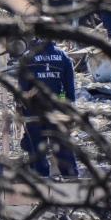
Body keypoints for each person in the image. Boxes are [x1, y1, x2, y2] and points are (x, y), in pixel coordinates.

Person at [17, 35, 79, 178]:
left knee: (37, 150)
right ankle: (71, 180)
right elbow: (70, 92)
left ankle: (41, 183)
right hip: (59, 111)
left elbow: (22, 92)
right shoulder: (63, 57)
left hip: (34, 112)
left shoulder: (27, 58)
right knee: (63, 149)